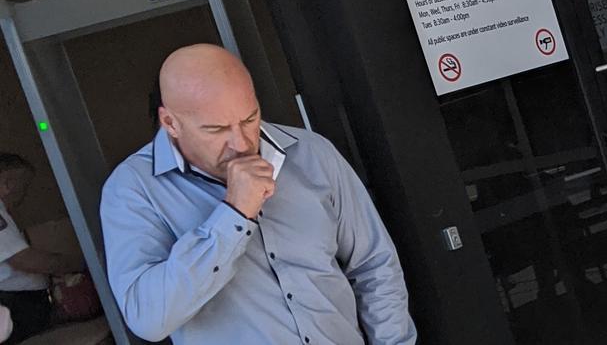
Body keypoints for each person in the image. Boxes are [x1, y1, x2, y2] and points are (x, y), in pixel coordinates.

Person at [100, 44, 417, 344]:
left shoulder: (311, 153)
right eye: (217, 130)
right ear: (170, 122)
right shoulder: (132, 189)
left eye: (249, 119)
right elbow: (148, 318)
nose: (241, 143)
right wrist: (234, 214)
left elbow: (374, 265)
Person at [0, 153, 85, 344]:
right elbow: (25, 260)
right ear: (7, 184)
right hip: (15, 304)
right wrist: (81, 263)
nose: (24, 195)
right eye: (24, 187)